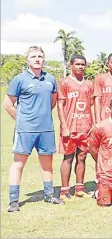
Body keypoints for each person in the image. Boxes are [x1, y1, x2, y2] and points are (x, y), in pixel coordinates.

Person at [4, 46, 63, 212]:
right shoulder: (19, 79)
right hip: (25, 130)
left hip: (46, 129)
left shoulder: (50, 79)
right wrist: (23, 120)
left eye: (40, 56)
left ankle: (49, 194)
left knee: (47, 163)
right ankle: (13, 200)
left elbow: (52, 102)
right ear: (27, 60)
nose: (37, 59)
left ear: (44, 59)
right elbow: (8, 104)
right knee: (18, 164)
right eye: (34, 56)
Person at [57, 55, 93, 201]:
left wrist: (93, 124)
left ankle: (79, 188)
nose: (80, 67)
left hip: (86, 128)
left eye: (83, 64)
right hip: (70, 128)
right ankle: (64, 191)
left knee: (82, 158)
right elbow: (60, 105)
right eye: (77, 64)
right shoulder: (65, 83)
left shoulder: (90, 84)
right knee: (68, 158)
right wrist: (64, 126)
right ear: (70, 65)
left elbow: (92, 105)